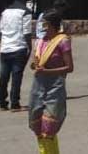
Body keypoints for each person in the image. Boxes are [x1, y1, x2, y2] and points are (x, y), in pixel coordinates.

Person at [28, 9, 72, 154]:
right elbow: (36, 62)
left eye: (44, 24)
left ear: (52, 25)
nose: (42, 27)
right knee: (39, 128)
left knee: (49, 129)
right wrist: (35, 65)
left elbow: (69, 67)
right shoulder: (40, 42)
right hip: (38, 87)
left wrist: (47, 71)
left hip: (55, 88)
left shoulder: (62, 41)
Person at [0, 0, 32, 112]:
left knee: (3, 76)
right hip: (19, 47)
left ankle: (2, 102)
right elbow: (27, 32)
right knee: (17, 76)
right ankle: (15, 103)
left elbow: (1, 30)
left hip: (5, 47)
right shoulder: (26, 12)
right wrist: (30, 47)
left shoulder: (5, 12)